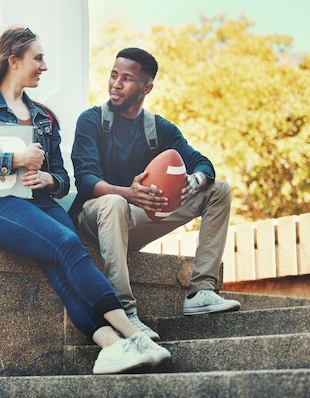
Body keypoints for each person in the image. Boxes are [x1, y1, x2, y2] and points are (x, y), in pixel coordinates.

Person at [0, 28, 170, 374]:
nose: (44, 66)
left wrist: (49, 179)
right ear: (14, 61)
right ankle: (132, 335)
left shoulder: (45, 117)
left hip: (39, 202)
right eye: (37, 58)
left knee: (63, 263)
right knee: (67, 242)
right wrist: (16, 159)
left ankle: (111, 347)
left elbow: (63, 177)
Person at [69, 47, 241, 341]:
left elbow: (202, 162)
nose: (115, 84)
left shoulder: (159, 129)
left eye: (127, 79)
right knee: (113, 202)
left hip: (132, 221)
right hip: (92, 223)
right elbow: (85, 179)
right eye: (113, 75)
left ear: (146, 87)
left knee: (218, 190)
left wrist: (195, 179)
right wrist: (128, 193)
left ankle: (201, 291)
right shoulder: (91, 120)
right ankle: (125, 312)